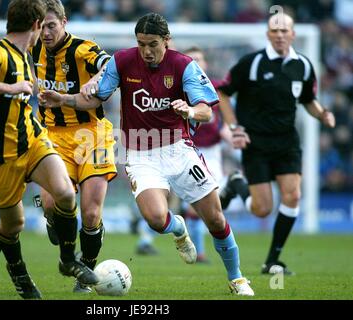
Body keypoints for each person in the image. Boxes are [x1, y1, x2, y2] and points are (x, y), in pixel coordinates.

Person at [40, 12, 255, 296]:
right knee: (156, 219)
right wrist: (64, 99)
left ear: (167, 41)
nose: (146, 51)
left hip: (179, 151)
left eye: (152, 44)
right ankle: (178, 228)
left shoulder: (184, 66)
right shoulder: (122, 61)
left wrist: (189, 110)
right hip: (141, 154)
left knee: (215, 219)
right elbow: (94, 97)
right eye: (141, 44)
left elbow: (205, 110)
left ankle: (237, 278)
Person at [0, 0, 98, 299]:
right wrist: (8, 88)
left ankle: (69, 260)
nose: (44, 32)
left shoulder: (25, 56)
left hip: (32, 140)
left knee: (66, 193)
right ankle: (19, 273)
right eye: (41, 26)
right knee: (14, 224)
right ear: (34, 25)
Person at [217, 12, 336, 275]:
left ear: (293, 34)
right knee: (262, 209)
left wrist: (323, 114)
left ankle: (272, 261)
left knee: (293, 195)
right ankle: (237, 183)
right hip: (256, 143)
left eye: (285, 31)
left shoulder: (303, 65)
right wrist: (235, 128)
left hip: (286, 142)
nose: (280, 35)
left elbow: (308, 99)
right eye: (275, 30)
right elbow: (222, 92)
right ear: (268, 35)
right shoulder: (252, 63)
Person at [31, 0, 117, 294]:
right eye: (41, 27)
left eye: (51, 26)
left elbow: (111, 65)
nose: (46, 33)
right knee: (52, 203)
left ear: (64, 23)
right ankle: (51, 217)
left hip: (92, 134)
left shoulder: (83, 49)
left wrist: (94, 79)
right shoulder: (31, 48)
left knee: (91, 214)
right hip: (52, 135)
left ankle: (87, 270)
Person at [182, 46, 234, 264]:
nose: (196, 63)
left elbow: (225, 116)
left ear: (205, 64)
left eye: (199, 59)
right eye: (191, 59)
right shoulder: (179, 89)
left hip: (212, 153)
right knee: (193, 207)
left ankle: (232, 190)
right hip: (186, 150)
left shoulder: (215, 89)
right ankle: (200, 253)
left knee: (209, 203)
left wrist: (232, 132)